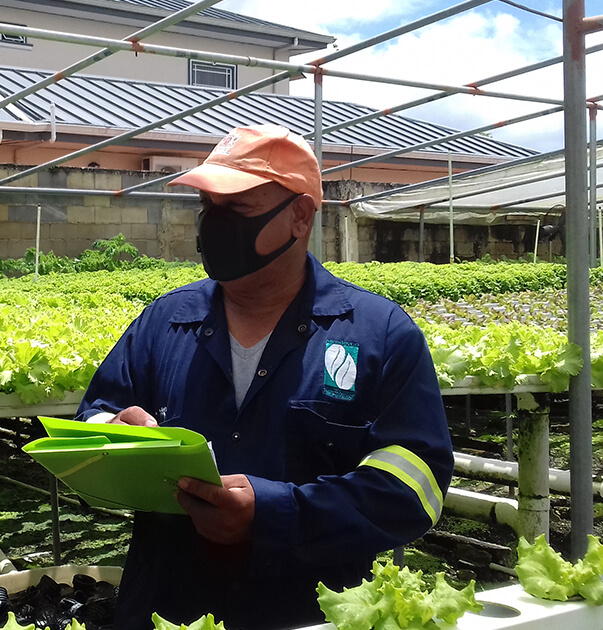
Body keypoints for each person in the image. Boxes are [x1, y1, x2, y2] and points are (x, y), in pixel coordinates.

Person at [76, 125, 453, 630]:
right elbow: (96, 415)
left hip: (311, 613)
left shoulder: (378, 334)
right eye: (209, 207)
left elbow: (416, 487)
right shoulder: (164, 321)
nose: (215, 225)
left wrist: (275, 514)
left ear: (299, 216)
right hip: (169, 607)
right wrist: (114, 434)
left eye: (237, 209)